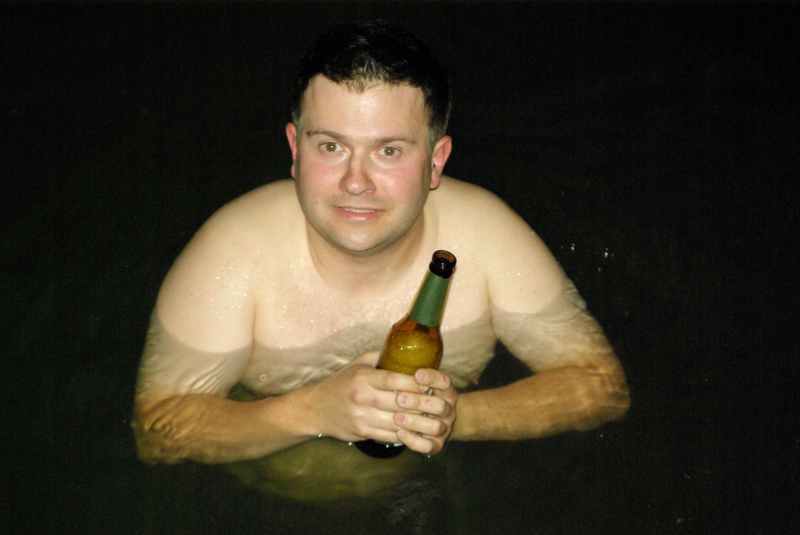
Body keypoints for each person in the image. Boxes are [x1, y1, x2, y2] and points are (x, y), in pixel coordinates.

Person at [132, 20, 629, 493]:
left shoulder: (485, 236)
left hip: (432, 486)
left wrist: (453, 418)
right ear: (295, 149)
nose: (356, 182)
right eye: (331, 146)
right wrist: (310, 411)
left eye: (388, 151)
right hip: (263, 501)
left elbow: (601, 387)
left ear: (435, 161)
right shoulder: (233, 254)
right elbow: (156, 431)